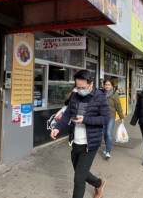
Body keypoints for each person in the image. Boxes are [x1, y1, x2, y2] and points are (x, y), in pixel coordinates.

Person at [50, 70, 110, 198]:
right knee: (80, 172)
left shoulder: (100, 97)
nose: (80, 90)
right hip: (75, 142)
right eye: (77, 87)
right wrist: (58, 128)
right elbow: (67, 114)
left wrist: (85, 119)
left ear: (91, 84)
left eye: (83, 87)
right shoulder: (75, 95)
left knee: (78, 179)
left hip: (90, 144)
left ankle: (98, 184)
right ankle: (99, 183)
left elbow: (106, 119)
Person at [102, 79, 125, 159]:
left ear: (112, 86)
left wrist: (121, 117)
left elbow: (118, 106)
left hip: (111, 116)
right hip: (102, 116)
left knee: (108, 133)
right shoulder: (101, 94)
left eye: (109, 84)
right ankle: (107, 147)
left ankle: (108, 151)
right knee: (104, 133)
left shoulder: (115, 95)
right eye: (106, 84)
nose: (107, 86)